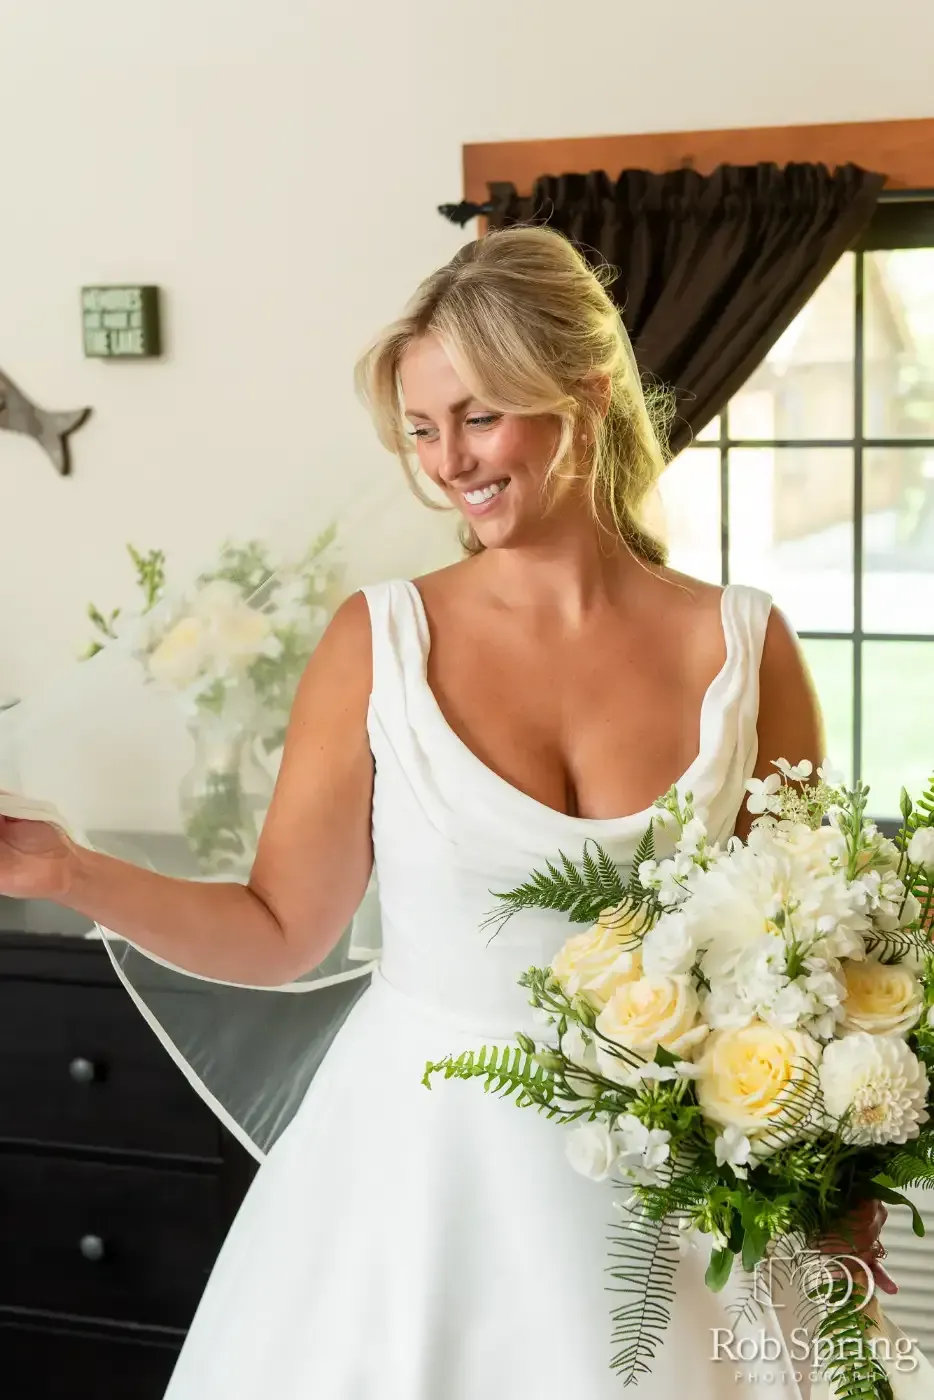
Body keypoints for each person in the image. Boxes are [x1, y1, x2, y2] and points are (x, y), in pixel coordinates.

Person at [0, 227, 891, 1397]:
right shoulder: (378, 642)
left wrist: (838, 1183)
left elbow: (805, 960)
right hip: (415, 1184)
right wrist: (68, 871)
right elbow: (280, 930)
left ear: (585, 394)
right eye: (421, 429)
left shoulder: (745, 643)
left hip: (676, 1197)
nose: (448, 461)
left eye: (477, 416)